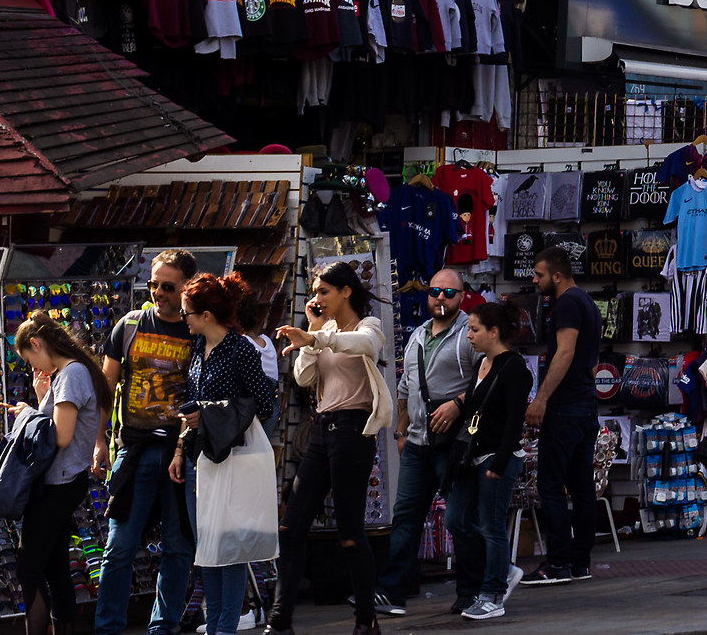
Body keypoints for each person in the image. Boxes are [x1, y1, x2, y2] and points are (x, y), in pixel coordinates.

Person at [272, 262, 391, 635]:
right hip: (323, 431)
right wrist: (313, 333)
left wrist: (318, 339)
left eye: (324, 291)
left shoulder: (368, 327)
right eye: (314, 292)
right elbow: (304, 377)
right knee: (290, 526)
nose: (317, 298)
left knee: (350, 532)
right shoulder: (322, 332)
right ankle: (279, 621)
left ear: (346, 291)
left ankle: (365, 621)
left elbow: (365, 345)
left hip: (353, 432)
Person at [96, 250, 200, 635]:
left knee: (178, 547)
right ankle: (108, 628)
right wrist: (98, 441)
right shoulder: (130, 325)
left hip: (181, 453)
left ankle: (163, 628)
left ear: (187, 287)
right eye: (153, 284)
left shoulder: (196, 331)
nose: (158, 293)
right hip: (135, 449)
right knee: (118, 547)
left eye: (168, 287)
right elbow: (106, 387)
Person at [169, 275, 276, 635]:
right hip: (204, 457)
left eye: (187, 313)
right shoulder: (198, 348)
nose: (183, 319)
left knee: (229, 548)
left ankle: (224, 628)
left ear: (207, 315)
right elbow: (193, 403)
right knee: (208, 547)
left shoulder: (240, 350)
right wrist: (180, 448)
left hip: (234, 458)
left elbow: (263, 403)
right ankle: (215, 624)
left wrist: (210, 413)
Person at [375, 270, 483, 616]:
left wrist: (457, 405)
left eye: (449, 292)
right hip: (418, 443)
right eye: (435, 291)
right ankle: (392, 593)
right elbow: (405, 387)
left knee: (459, 520)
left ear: (461, 296)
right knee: (405, 517)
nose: (440, 298)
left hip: (454, 443)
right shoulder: (418, 334)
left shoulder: (469, 333)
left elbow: (488, 381)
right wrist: (401, 432)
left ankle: (472, 590)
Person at [9, 311, 104, 635]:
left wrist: (27, 414)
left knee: (29, 568)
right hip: (63, 481)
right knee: (55, 566)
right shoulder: (70, 371)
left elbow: (60, 436)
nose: (33, 367)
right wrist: (39, 400)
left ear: (36, 344)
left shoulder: (72, 373)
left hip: (58, 483)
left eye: (29, 359)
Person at [448, 300, 533, 620]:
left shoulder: (514, 368)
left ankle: (493, 594)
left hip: (498, 456)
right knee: (456, 519)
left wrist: (500, 460)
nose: (469, 335)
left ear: (494, 332)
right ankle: (503, 568)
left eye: (474, 329)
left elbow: (514, 419)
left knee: (492, 525)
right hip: (472, 455)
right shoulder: (481, 363)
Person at [521, 246, 601, 583]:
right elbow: (593, 362)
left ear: (557, 275)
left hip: (566, 406)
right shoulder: (589, 303)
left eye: (539, 275)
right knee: (581, 486)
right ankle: (579, 562)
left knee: (551, 484)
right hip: (585, 403)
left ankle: (557, 563)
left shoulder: (567, 303)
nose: (534, 280)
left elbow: (565, 352)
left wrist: (541, 399)